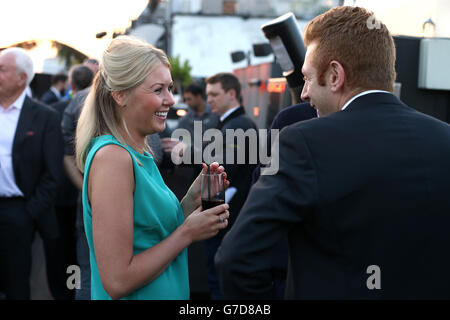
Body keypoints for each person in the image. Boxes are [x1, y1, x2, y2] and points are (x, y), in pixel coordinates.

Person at [215, 6, 450, 299]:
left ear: (336, 75)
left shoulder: (301, 141)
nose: (303, 94)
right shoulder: (444, 138)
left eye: (309, 78)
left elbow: (237, 260)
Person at [75, 36, 230, 300]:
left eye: (170, 88)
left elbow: (149, 235)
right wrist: (187, 233)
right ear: (121, 94)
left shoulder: (139, 154)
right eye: (158, 90)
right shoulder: (112, 158)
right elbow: (117, 281)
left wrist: (190, 202)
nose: (170, 99)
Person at [0, 47, 63, 299]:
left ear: (21, 78)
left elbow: (53, 173)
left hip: (19, 211)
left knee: (16, 283)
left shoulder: (44, 117)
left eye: (2, 70)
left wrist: (28, 213)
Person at [199, 72, 257, 299]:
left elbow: (224, 168)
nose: (209, 100)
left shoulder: (241, 124)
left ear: (232, 94)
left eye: (214, 94)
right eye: (207, 95)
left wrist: (189, 153)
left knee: (220, 282)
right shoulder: (227, 123)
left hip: (227, 218)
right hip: (220, 214)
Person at [45, 64, 94, 300]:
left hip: (71, 195)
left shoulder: (56, 109)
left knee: (73, 261)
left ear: (71, 85)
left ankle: (64, 294)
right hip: (79, 196)